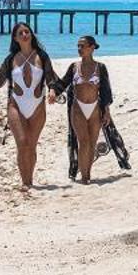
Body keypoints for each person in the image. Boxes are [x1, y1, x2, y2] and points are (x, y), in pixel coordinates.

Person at [0, 22, 57, 191]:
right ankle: (25, 182)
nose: (24, 34)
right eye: (21, 33)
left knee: (31, 144)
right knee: (22, 143)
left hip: (38, 106)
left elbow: (51, 77)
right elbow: (0, 78)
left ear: (31, 35)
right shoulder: (11, 59)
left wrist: (52, 90)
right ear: (15, 38)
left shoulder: (42, 56)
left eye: (27, 31)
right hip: (16, 104)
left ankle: (30, 178)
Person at [55, 36, 114, 183]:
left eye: (83, 46)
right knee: (84, 142)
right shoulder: (74, 66)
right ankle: (84, 177)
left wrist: (106, 111)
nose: (80, 49)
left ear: (92, 47)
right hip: (78, 108)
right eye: (78, 46)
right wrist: (52, 90)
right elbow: (62, 83)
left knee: (92, 143)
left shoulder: (100, 67)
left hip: (95, 108)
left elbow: (106, 91)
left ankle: (88, 173)